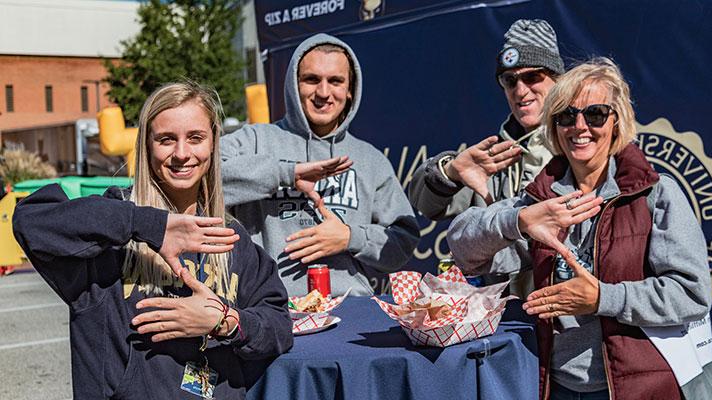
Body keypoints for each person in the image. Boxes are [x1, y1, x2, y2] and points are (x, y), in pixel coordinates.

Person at [447, 58, 712, 399]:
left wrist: (602, 298)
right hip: (555, 384)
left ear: (616, 121)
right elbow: (461, 247)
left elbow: (691, 293)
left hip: (638, 386)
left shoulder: (655, 194)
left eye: (595, 114)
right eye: (565, 116)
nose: (579, 126)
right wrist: (518, 221)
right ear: (554, 127)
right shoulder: (540, 198)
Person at [13, 82, 293, 399]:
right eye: (166, 140)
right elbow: (30, 220)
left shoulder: (230, 236)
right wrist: (149, 225)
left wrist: (224, 321)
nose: (182, 154)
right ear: (146, 145)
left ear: (213, 143)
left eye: (195, 138)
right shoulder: (110, 235)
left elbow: (279, 327)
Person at [221, 33, 420, 297]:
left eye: (335, 81)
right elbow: (204, 175)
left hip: (349, 309)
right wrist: (286, 173)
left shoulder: (370, 159)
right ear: (294, 84)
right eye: (312, 79)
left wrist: (350, 237)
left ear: (350, 91)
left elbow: (402, 242)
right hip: (270, 311)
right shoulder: (256, 140)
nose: (323, 92)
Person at [408, 19, 564, 293]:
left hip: (566, 321)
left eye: (532, 77)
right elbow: (426, 205)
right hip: (504, 319)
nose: (521, 90)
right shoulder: (494, 154)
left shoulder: (581, 148)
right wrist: (450, 172)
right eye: (510, 80)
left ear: (558, 79)